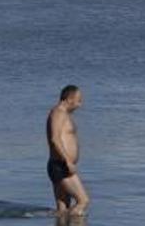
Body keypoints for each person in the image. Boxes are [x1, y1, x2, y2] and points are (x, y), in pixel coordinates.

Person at [46, 85, 89, 217]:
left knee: (62, 209)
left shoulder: (63, 114)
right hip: (61, 165)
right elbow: (55, 139)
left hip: (59, 165)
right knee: (83, 201)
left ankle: (62, 218)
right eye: (79, 100)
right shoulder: (58, 113)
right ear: (70, 99)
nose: (80, 104)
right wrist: (68, 161)